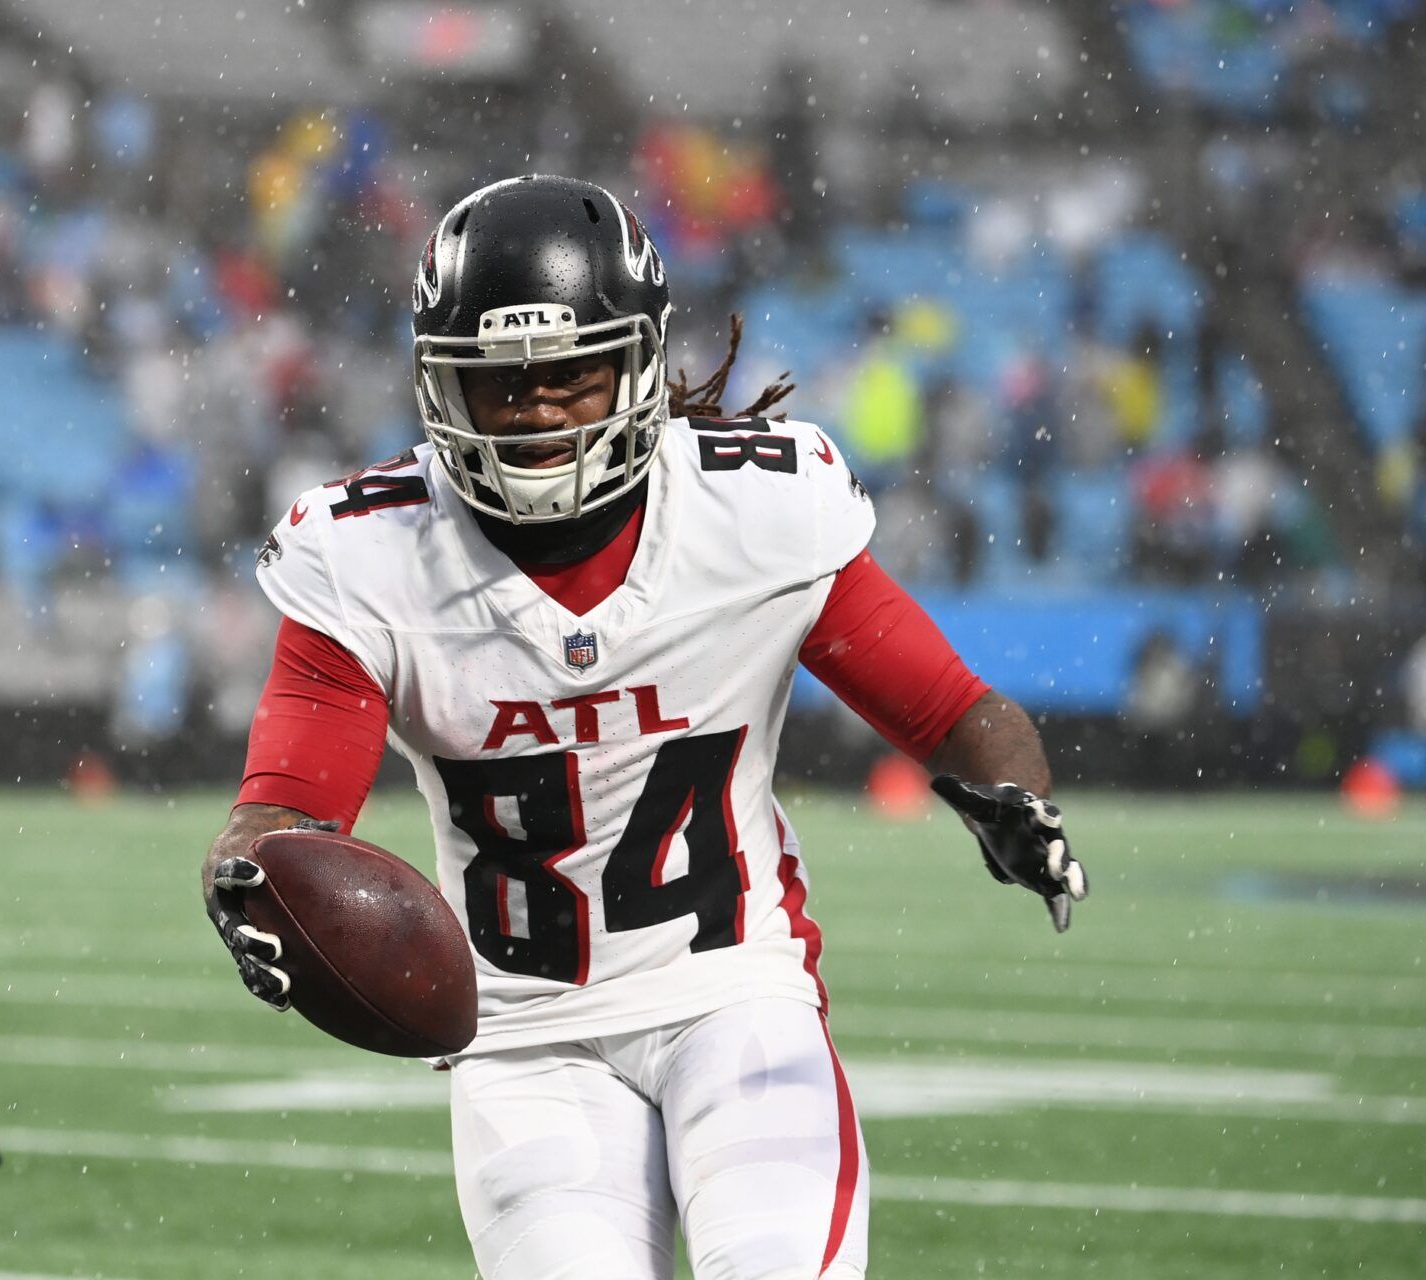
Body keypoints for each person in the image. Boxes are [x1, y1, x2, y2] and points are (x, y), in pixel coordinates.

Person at [201, 177, 1086, 1278]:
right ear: (437, 387)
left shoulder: (755, 509)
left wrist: (1010, 793)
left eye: (570, 376)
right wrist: (248, 885)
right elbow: (284, 813)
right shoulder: (371, 553)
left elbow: (956, 709)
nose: (537, 413)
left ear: (639, 363)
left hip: (735, 997)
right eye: (500, 385)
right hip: (523, 1037)